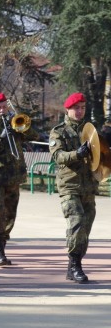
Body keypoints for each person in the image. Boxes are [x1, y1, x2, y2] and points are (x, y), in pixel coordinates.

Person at [0, 92, 39, 266]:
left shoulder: (13, 124)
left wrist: (21, 125)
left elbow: (35, 136)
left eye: (4, 107)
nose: (2, 110)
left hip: (13, 176)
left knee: (10, 213)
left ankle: (3, 241)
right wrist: (0, 137)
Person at [49, 92, 98, 283]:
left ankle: (72, 265)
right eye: (76, 108)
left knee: (85, 227)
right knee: (76, 222)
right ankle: (76, 264)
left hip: (88, 187)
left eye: (83, 108)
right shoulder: (59, 131)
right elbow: (58, 156)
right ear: (68, 109)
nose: (80, 111)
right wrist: (77, 153)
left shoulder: (90, 130)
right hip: (69, 186)